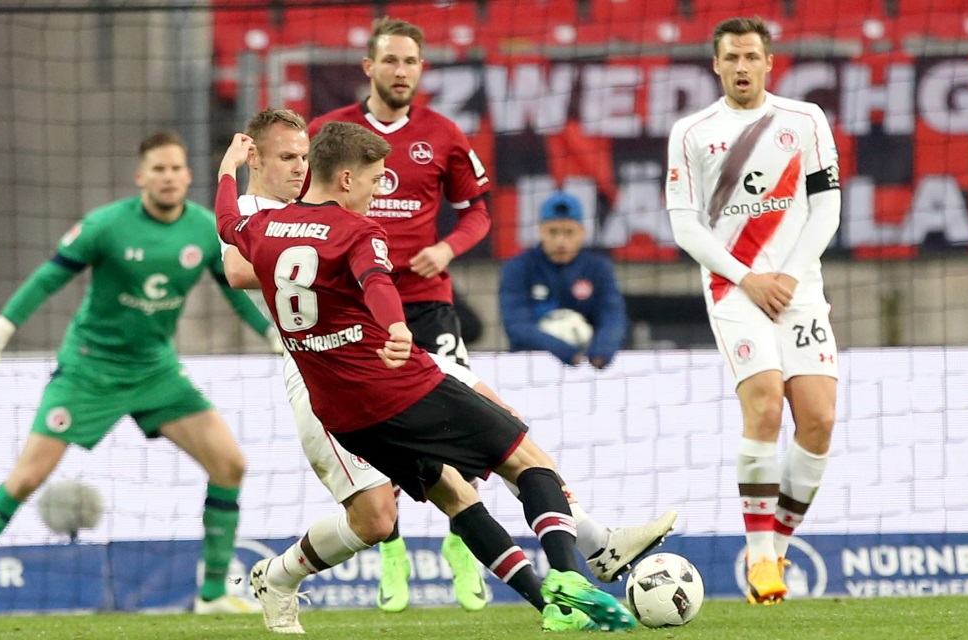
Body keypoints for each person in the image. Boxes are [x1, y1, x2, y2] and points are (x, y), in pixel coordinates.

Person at [222, 109, 675, 634]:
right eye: (286, 158)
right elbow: (240, 268)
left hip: (378, 359)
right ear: (252, 158)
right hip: (333, 372)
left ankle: (579, 568)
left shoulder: (278, 216)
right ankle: (281, 576)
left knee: (467, 470)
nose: (299, 168)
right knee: (388, 512)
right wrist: (344, 252)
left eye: (304, 156)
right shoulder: (270, 215)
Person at [0, 131, 280, 614]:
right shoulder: (105, 226)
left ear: (188, 175)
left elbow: (233, 289)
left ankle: (211, 596)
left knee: (230, 465)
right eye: (158, 169)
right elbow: (46, 279)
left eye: (176, 169)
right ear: (141, 177)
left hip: (155, 372)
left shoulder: (205, 230)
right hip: (89, 371)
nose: (168, 178)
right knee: (24, 479)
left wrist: (272, 335)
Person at [306, 17, 493, 613]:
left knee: (463, 416)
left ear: (421, 68)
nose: (401, 71)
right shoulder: (331, 136)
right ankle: (390, 546)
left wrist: (449, 247)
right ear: (369, 67)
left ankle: (463, 542)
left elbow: (478, 212)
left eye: (411, 61)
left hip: (428, 304)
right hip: (352, 308)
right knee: (373, 435)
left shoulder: (443, 134)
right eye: (390, 61)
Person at [666, 17, 841, 605]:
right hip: (734, 288)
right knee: (765, 403)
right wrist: (749, 277)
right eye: (731, 58)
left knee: (817, 420)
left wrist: (789, 276)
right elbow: (684, 223)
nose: (742, 66)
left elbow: (827, 207)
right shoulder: (693, 131)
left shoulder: (805, 120)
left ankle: (781, 545)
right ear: (715, 65)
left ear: (770, 62)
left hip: (798, 289)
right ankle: (760, 559)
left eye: (751, 56)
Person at [499, 191, 628, 369]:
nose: (561, 241)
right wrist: (567, 352)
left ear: (582, 232)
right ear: (541, 231)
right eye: (553, 232)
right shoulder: (518, 268)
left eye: (569, 232)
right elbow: (516, 324)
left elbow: (613, 317)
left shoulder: (599, 268)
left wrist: (600, 352)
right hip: (529, 365)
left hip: (588, 366)